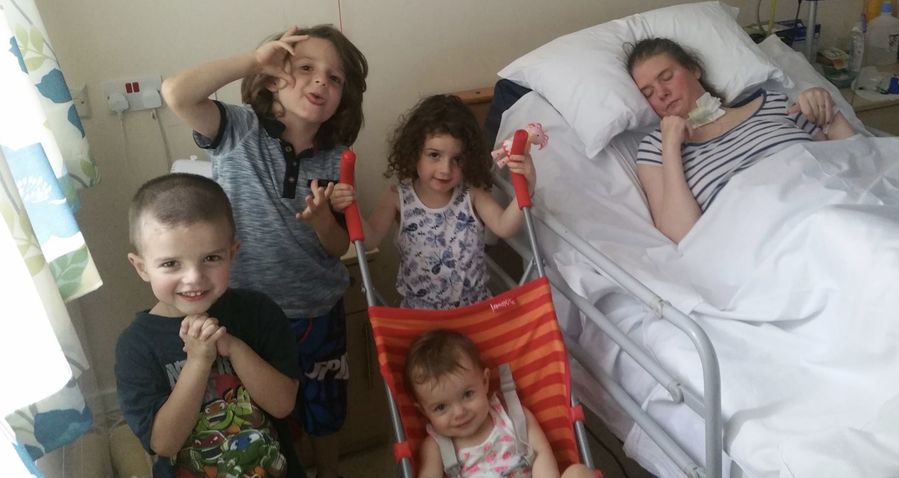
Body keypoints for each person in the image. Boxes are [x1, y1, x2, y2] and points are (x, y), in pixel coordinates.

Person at [161, 24, 368, 477]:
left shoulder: (337, 157)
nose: (321, 81)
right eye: (306, 68)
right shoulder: (237, 129)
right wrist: (253, 60)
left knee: (325, 408)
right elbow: (177, 93)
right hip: (248, 311)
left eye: (335, 78)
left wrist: (322, 220)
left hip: (317, 308)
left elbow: (338, 246)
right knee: (259, 415)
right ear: (274, 77)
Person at [115, 173, 303, 478]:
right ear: (142, 267)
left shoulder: (259, 312)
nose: (194, 278)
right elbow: (164, 443)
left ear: (232, 254)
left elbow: (283, 405)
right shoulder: (135, 345)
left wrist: (234, 347)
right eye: (170, 264)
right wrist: (198, 361)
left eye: (211, 258)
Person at [627, 37, 857, 243]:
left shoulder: (775, 104)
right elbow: (682, 235)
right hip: (770, 240)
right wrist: (670, 147)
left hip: (835, 206)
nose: (661, 93)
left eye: (666, 77)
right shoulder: (656, 148)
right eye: (648, 93)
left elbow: (855, 163)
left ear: (694, 70)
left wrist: (826, 108)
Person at [331, 94, 535, 309]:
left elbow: (504, 227)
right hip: (421, 314)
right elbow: (369, 240)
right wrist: (349, 207)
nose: (445, 169)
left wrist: (527, 187)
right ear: (414, 152)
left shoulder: (472, 194)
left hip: (475, 311)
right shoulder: (397, 198)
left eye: (457, 159)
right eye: (434, 155)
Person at [405, 330, 596, 478]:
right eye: (440, 407)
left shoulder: (514, 416)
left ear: (485, 382)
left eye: (467, 395)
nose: (459, 412)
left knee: (579, 473)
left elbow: (541, 455)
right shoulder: (436, 446)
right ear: (424, 411)